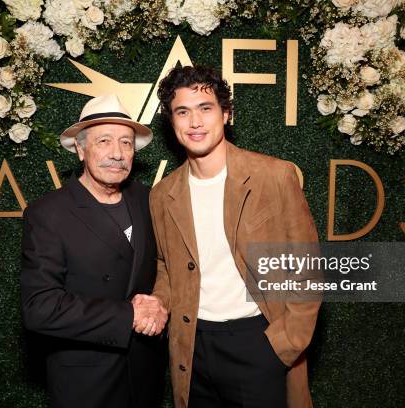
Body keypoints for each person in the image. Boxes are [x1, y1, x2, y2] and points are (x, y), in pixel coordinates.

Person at [135, 66, 321, 408]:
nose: (195, 122)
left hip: (258, 342)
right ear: (171, 121)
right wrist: (159, 301)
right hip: (192, 347)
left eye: (205, 108)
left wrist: (283, 344)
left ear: (226, 113)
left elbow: (306, 265)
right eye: (183, 111)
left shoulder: (273, 176)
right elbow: (166, 267)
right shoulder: (162, 194)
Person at [20, 94, 167, 408]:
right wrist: (127, 315)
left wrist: (160, 303)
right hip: (86, 384)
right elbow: (39, 307)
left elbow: (167, 266)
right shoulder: (48, 213)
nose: (117, 154)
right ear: (80, 148)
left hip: (144, 375)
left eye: (126, 143)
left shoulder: (147, 199)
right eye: (104, 141)